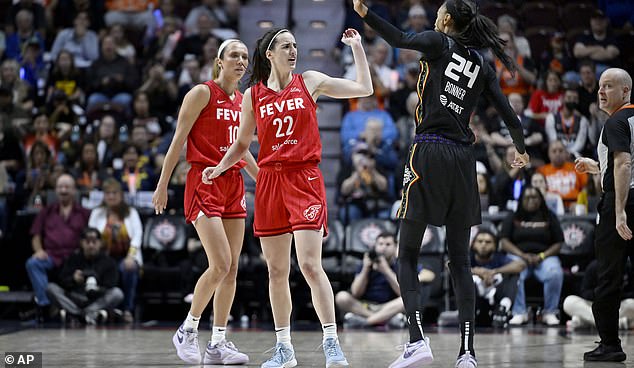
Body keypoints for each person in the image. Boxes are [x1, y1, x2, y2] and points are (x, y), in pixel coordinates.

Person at [352, 0, 529, 367]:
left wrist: (366, 13)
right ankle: (467, 354)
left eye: (439, 12)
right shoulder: (481, 62)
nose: (434, 17)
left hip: (430, 151)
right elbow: (509, 115)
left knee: (407, 254)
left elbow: (400, 38)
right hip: (465, 160)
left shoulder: (438, 41)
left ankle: (417, 340)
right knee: (460, 261)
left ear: (446, 19)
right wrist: (521, 150)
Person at [202, 27, 373, 368]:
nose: (293, 50)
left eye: (295, 45)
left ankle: (331, 343)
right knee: (277, 270)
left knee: (310, 265)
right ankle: (284, 348)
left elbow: (364, 88)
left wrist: (357, 48)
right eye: (286, 45)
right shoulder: (253, 95)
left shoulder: (309, 81)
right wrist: (219, 168)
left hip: (304, 177)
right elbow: (241, 143)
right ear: (270, 53)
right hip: (269, 182)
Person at [152, 38, 258, 366]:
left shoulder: (244, 101)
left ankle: (217, 343)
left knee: (232, 269)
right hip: (204, 180)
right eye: (234, 56)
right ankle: (187, 328)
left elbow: (242, 151)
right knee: (221, 263)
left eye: (244, 56)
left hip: (233, 183)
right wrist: (162, 184)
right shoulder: (201, 93)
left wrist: (266, 182)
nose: (241, 61)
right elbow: (177, 142)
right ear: (220, 61)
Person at [574, 68, 633, 362]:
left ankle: (610, 344)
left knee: (608, 276)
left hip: (620, 204)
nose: (601, 91)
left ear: (625, 92)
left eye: (608, 86)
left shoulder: (616, 122)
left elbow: (624, 166)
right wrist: (596, 166)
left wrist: (620, 212)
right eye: (600, 86)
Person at [335, 232, 434, 328]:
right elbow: (356, 293)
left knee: (407, 299)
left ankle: (367, 322)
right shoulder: (365, 264)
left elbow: (429, 275)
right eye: (380, 244)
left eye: (388, 244)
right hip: (366, 306)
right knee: (341, 297)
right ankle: (382, 320)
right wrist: (365, 269)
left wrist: (386, 271)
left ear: (395, 247)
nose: (383, 247)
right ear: (375, 246)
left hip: (388, 306)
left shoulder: (400, 265)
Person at [26, 173, 90, 320]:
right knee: (33, 263)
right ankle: (47, 304)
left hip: (75, 257)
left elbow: (91, 236)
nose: (63, 190)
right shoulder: (47, 211)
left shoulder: (84, 213)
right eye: (60, 187)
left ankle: (74, 307)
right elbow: (36, 235)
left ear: (74, 190)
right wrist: (39, 250)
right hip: (51, 255)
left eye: (67, 187)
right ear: (55, 190)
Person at [499, 186, 564, 326]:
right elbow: (504, 242)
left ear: (541, 199)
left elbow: (559, 243)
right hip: (520, 256)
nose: (531, 200)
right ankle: (519, 312)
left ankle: (550, 312)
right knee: (513, 270)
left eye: (534, 197)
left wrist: (541, 256)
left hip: (544, 257)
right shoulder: (513, 216)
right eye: (527, 197)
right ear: (521, 200)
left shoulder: (549, 216)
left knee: (555, 272)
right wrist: (522, 255)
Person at [88, 178, 143, 323]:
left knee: (129, 268)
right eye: (108, 193)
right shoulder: (97, 213)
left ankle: (127, 309)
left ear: (121, 195)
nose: (111, 196)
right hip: (104, 257)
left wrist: (131, 257)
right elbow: (91, 236)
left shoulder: (131, 213)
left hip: (126, 256)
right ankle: (102, 308)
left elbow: (137, 236)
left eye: (115, 193)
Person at [46, 227, 123, 324]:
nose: (91, 245)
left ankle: (80, 314)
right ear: (82, 243)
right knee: (50, 288)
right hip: (74, 298)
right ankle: (84, 314)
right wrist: (73, 279)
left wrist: (96, 286)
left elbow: (111, 285)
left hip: (96, 300)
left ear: (100, 243)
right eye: (87, 242)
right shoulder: (73, 259)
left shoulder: (109, 262)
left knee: (117, 293)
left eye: (94, 242)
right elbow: (61, 281)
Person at [470, 228, 524, 328]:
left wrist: (494, 271)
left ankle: (502, 309)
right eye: (480, 241)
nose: (483, 245)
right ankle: (471, 312)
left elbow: (520, 265)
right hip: (475, 296)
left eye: (488, 242)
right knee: (463, 275)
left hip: (495, 293)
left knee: (514, 274)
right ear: (473, 244)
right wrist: (476, 271)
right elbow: (449, 264)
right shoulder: (469, 257)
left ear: (495, 245)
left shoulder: (499, 257)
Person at [563, 260, 634, 331]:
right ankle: (614, 324)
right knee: (569, 301)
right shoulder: (594, 266)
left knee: (632, 304)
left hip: (617, 306)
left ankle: (585, 322)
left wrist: (616, 295)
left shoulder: (626, 267)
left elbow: (631, 293)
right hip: (594, 305)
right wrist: (601, 294)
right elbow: (585, 292)